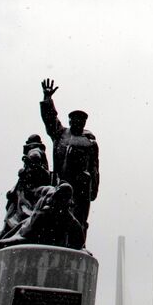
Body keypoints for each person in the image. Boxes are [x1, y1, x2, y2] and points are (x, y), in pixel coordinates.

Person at [39, 78, 99, 230]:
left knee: (78, 219)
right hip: (61, 182)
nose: (77, 122)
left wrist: (94, 189)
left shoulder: (89, 143)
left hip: (81, 186)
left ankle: (77, 243)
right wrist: (48, 98)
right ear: (70, 121)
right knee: (56, 217)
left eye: (81, 120)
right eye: (74, 119)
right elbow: (50, 119)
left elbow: (94, 167)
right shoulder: (60, 134)